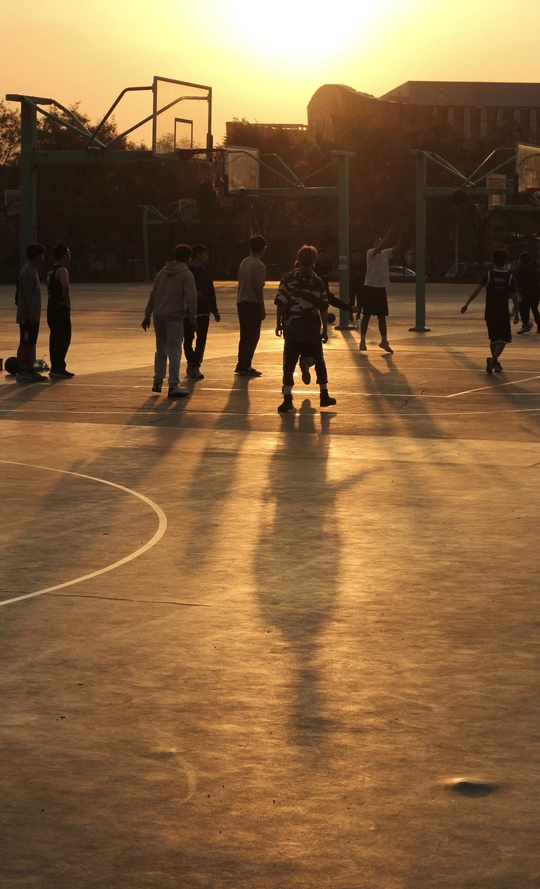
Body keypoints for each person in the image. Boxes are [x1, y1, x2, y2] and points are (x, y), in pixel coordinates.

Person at [275, 245, 337, 413]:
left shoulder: (288, 279)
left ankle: (287, 397)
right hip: (311, 328)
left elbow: (280, 303)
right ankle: (324, 394)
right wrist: (325, 330)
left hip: (292, 327)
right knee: (319, 360)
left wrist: (278, 323)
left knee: (289, 362)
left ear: (298, 259)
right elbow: (323, 307)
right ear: (314, 261)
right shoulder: (317, 281)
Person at [142, 243, 198, 398]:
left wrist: (147, 315)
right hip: (174, 317)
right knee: (174, 350)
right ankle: (173, 385)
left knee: (161, 349)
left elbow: (153, 295)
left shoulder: (162, 273)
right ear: (189, 258)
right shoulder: (186, 274)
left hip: (159, 315)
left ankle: (157, 381)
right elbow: (191, 298)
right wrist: (193, 318)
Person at [461, 248, 519, 374]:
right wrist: (517, 312)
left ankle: (495, 364)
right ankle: (494, 359)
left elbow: (477, 290)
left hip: (490, 313)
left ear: (493, 260)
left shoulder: (488, 275)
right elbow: (514, 296)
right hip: (502, 313)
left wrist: (467, 304)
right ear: (505, 261)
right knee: (503, 339)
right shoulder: (509, 278)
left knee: (493, 339)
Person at [360, 224, 404, 353]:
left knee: (382, 316)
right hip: (370, 287)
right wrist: (389, 232)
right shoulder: (370, 253)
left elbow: (397, 247)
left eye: (380, 240)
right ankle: (362, 340)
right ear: (372, 244)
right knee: (366, 315)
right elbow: (382, 245)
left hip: (380, 288)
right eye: (377, 241)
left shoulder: (385, 254)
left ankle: (384, 341)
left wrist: (401, 235)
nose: (379, 242)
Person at [184, 244, 220, 379]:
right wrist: (193, 294)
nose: (207, 257)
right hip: (188, 312)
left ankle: (196, 366)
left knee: (201, 340)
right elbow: (180, 290)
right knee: (188, 340)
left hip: (204, 311)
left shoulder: (206, 273)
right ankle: (190, 361)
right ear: (198, 254)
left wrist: (214, 310)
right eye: (205, 254)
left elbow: (211, 293)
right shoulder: (187, 272)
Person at [235, 234, 267, 376]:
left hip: (241, 302)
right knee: (253, 335)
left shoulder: (244, 262)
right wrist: (262, 307)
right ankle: (246, 365)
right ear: (263, 248)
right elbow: (258, 288)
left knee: (244, 335)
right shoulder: (259, 265)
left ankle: (241, 363)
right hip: (252, 303)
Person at [15, 242, 47, 383]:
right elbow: (28, 295)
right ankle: (22, 371)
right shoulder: (27, 271)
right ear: (37, 256)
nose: (43, 258)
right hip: (27, 316)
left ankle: (30, 369)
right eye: (42, 255)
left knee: (31, 343)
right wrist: (32, 313)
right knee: (25, 343)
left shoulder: (33, 270)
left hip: (33, 315)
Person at [47, 243, 74, 379]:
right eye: (68, 253)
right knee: (64, 337)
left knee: (55, 338)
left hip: (51, 307)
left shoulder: (51, 270)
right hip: (59, 308)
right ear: (64, 255)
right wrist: (65, 302)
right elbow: (65, 286)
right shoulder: (62, 270)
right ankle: (58, 367)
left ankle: (55, 366)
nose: (69, 256)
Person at [515, 252, 540, 334]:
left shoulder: (521, 270)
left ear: (521, 260)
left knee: (523, 309)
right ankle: (539, 326)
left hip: (526, 293)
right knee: (535, 309)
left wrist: (518, 292)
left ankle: (526, 324)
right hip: (535, 293)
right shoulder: (534, 270)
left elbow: (518, 283)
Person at [349, 246, 365, 323]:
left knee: (360, 299)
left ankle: (358, 314)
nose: (355, 255)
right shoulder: (350, 264)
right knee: (351, 299)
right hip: (352, 283)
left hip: (360, 284)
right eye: (353, 253)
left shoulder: (362, 263)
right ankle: (350, 313)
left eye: (356, 253)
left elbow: (365, 272)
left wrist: (360, 273)